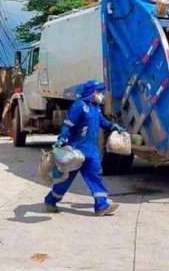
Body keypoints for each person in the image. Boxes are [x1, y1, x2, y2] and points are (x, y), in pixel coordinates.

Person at [44, 80, 122, 216]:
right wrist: (62, 137)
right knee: (66, 179)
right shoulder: (79, 105)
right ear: (91, 92)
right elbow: (68, 123)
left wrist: (113, 126)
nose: (101, 95)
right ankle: (50, 200)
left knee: (96, 177)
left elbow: (102, 122)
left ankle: (101, 205)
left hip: (91, 151)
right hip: (76, 151)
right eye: (98, 92)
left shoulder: (96, 107)